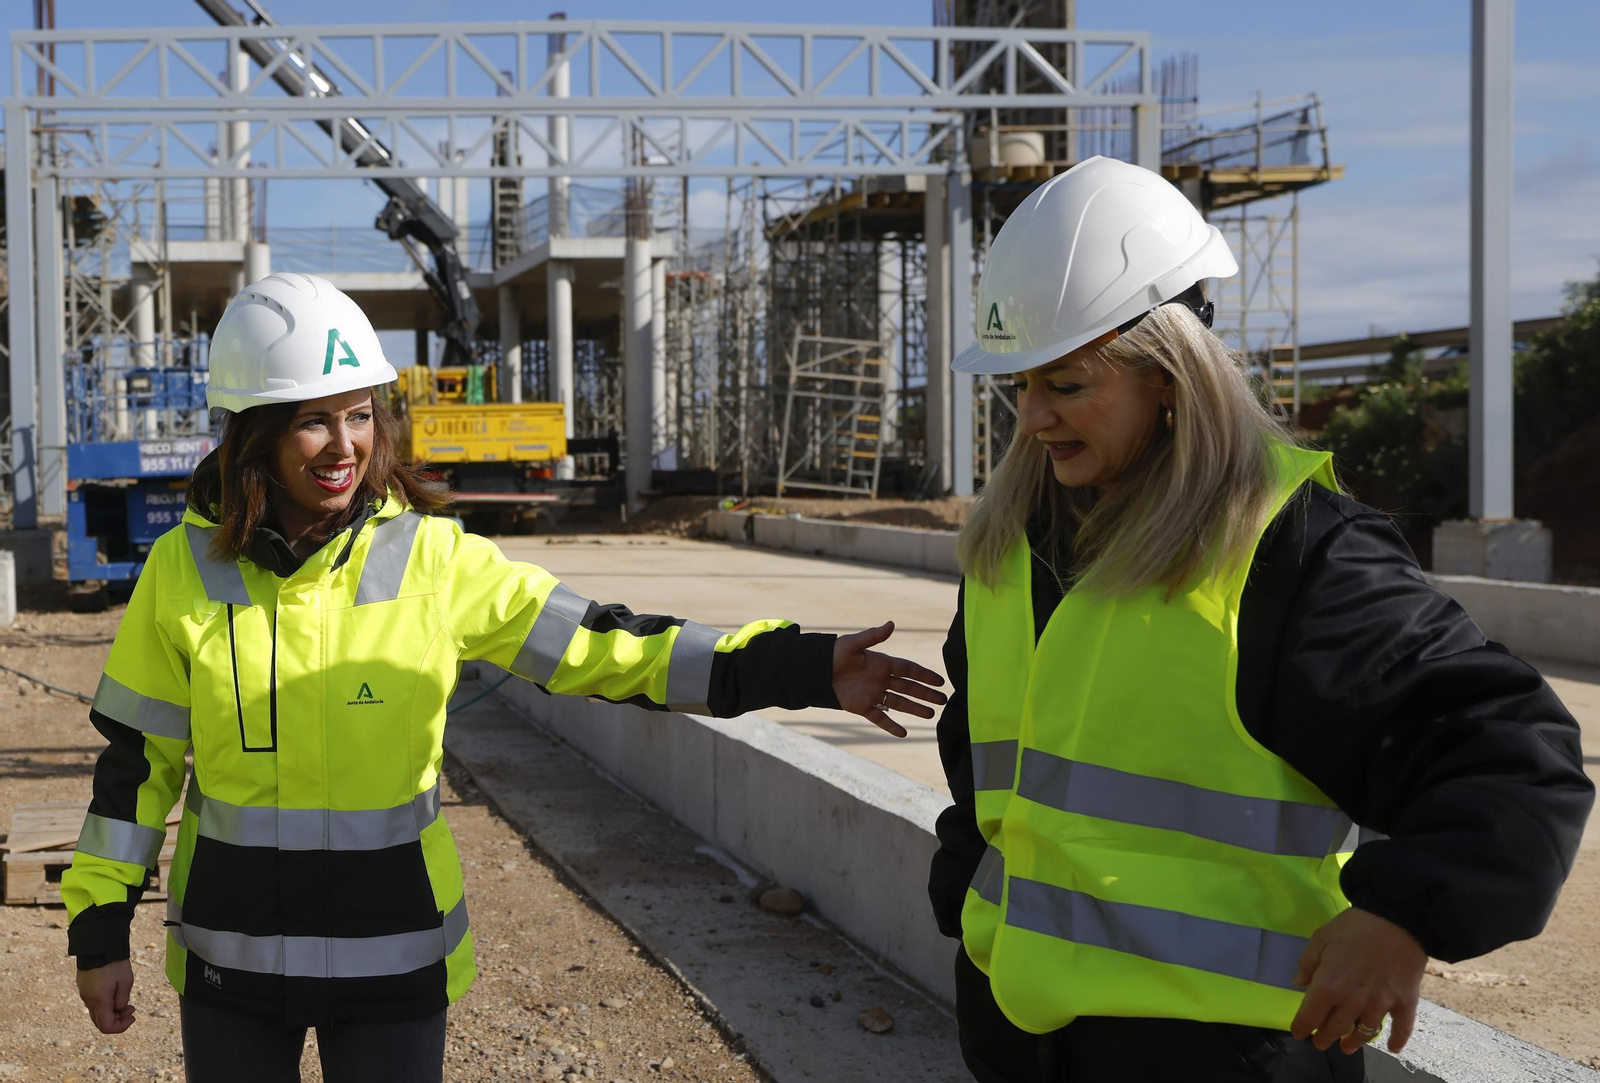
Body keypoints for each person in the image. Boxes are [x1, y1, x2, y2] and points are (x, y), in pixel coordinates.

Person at [63, 272, 947, 1083]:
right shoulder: (183, 571)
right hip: (233, 966)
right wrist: (100, 928)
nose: (345, 446)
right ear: (252, 430)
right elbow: (137, 766)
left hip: (395, 957)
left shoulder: (434, 560)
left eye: (361, 414)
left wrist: (793, 666)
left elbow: (610, 645)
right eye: (313, 420)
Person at [926, 156, 1593, 1083]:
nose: (1032, 416)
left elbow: (1514, 755)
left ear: (1170, 374)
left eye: (1067, 384)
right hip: (1021, 1039)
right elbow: (995, 760)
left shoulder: (1293, 555)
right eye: (1018, 385)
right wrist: (966, 879)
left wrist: (1407, 913)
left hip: (1221, 1056)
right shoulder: (1014, 548)